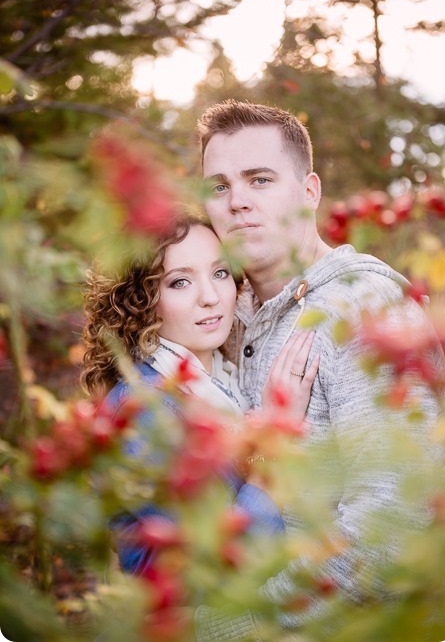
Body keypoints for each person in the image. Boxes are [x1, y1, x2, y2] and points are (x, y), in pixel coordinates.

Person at [195, 99, 445, 637]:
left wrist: (232, 625)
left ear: (309, 192)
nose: (237, 201)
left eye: (259, 180)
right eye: (219, 186)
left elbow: (393, 522)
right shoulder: (220, 316)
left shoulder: (366, 307)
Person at [81, 214, 319, 576]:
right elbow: (204, 569)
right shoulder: (143, 410)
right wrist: (271, 446)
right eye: (180, 282)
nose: (210, 298)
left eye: (221, 273)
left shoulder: (228, 382)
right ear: (142, 301)